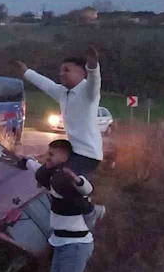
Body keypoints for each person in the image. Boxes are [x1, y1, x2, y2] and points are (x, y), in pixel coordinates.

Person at [18, 140, 95, 272]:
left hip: (77, 244)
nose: (48, 156)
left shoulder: (66, 180)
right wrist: (24, 161)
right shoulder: (55, 178)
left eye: (52, 154)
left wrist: (77, 181)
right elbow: (38, 169)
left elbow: (86, 187)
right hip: (61, 241)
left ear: (64, 156)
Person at [15, 48, 105, 226]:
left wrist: (93, 66)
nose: (61, 74)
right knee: (42, 175)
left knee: (60, 182)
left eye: (67, 70)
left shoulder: (88, 92)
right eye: (61, 70)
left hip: (89, 155)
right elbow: (45, 83)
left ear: (81, 73)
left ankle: (90, 211)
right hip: (73, 152)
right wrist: (26, 72)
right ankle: (72, 202)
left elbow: (95, 80)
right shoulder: (62, 92)